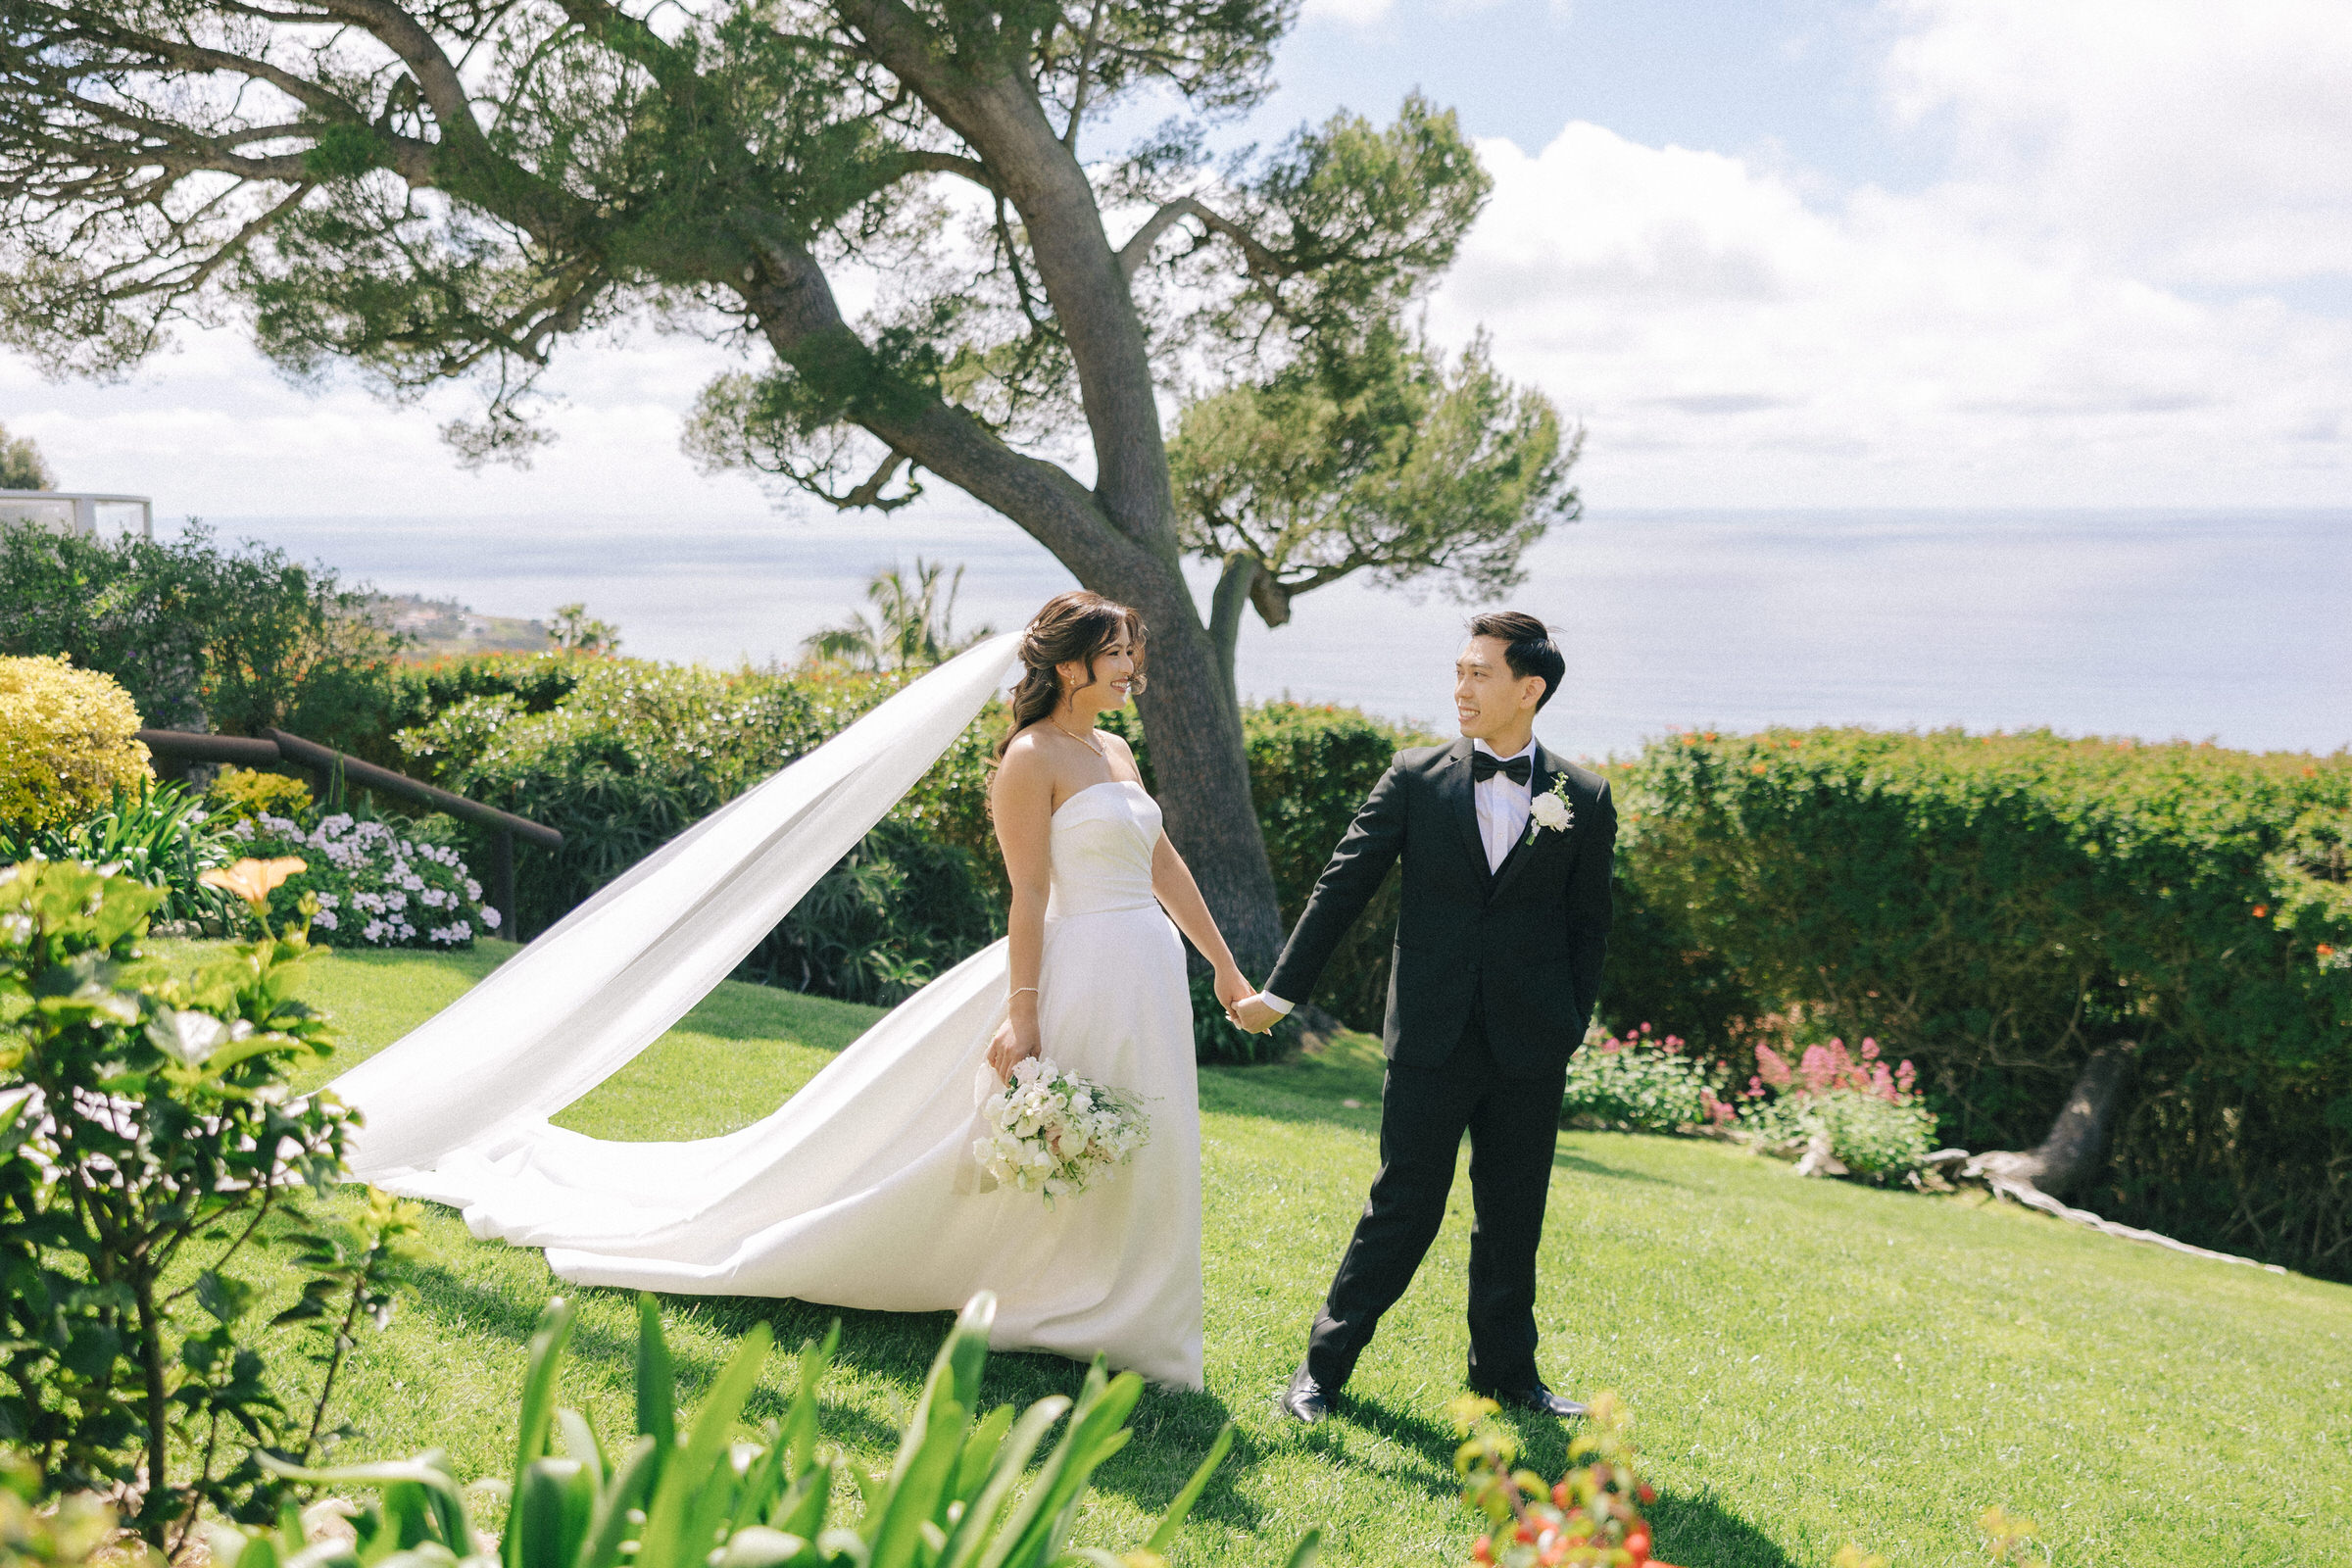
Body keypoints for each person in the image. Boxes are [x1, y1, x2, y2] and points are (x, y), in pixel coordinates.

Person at [331, 592, 1245, 1391]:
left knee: (1144, 1130)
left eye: (1134, 652)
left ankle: (1123, 1313)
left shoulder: (1117, 753)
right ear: (1071, 662)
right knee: (1035, 1133)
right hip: (1075, 967)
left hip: (1146, 971)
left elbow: (1162, 861)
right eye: (1118, 652)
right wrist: (1023, 1010)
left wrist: (1224, 965)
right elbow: (1030, 895)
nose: (1133, 669)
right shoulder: (1031, 758)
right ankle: (1053, 1298)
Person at [1229, 611, 1617, 1423]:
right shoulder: (1413, 776)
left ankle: (1506, 1376)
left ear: (1530, 689)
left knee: (1513, 1215)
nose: (1462, 688)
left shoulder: (1581, 796)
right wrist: (1281, 993)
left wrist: (1566, 1024)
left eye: (1481, 673)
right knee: (1404, 1205)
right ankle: (1321, 1372)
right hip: (1432, 1037)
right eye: (1460, 670)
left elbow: (1590, 928)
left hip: (1528, 1045)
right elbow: (1342, 887)